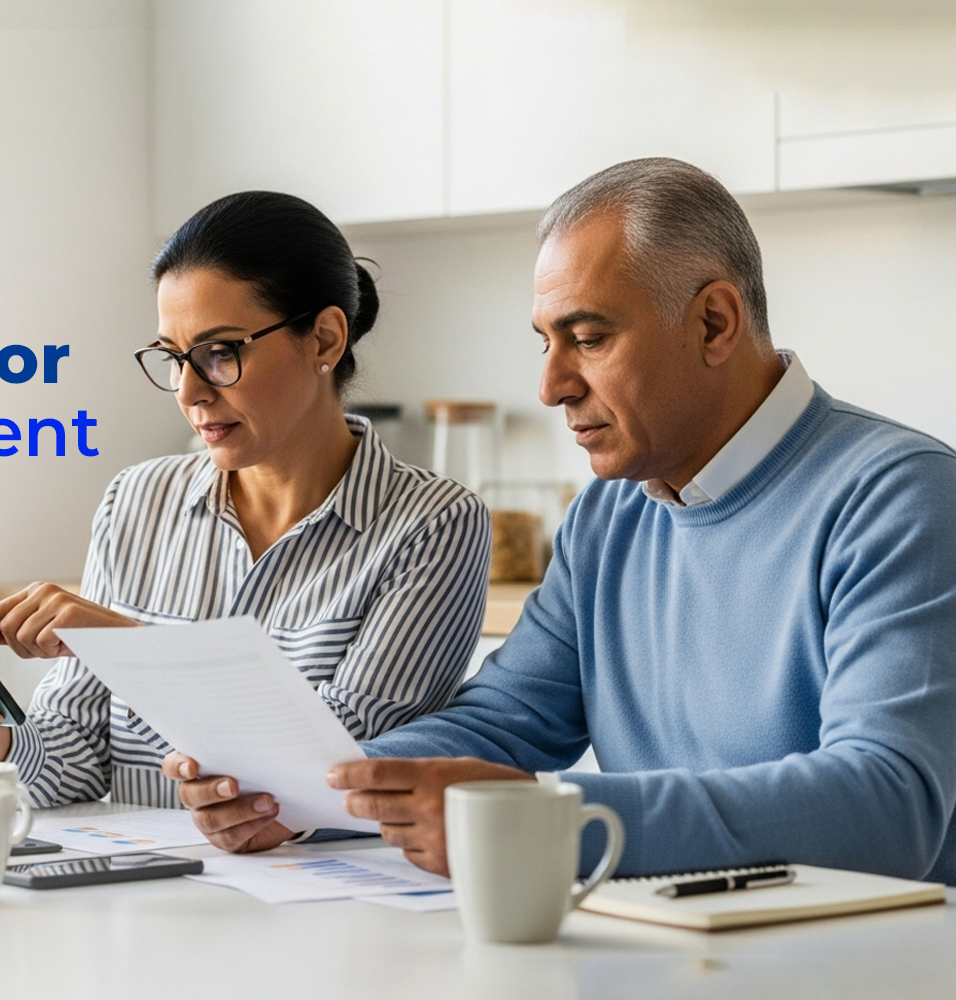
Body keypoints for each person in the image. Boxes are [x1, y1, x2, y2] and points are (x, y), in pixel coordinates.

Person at [168, 158, 956, 882]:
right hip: (682, 947)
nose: (551, 387)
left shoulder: (900, 498)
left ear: (715, 322)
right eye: (546, 342)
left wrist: (548, 820)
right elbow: (506, 723)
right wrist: (301, 795)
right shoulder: (612, 514)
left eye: (588, 338)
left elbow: (889, 802)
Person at [0, 191, 491, 839]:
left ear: (324, 337)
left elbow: (335, 771)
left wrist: (134, 648)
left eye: (220, 352)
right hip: (150, 903)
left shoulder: (434, 524)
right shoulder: (138, 501)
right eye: (173, 357)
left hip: (322, 908)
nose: (189, 391)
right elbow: (71, 759)